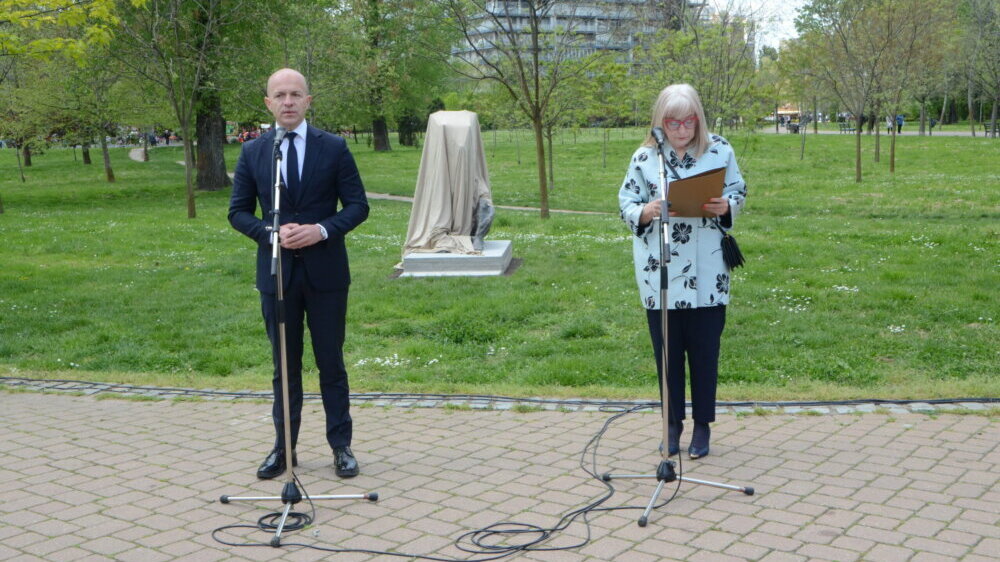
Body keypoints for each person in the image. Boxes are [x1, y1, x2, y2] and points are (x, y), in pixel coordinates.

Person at [228, 68, 370, 479]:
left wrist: (321, 230)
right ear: (268, 103)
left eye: (296, 94)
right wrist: (272, 233)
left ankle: (340, 446)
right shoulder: (255, 151)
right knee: (284, 367)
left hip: (326, 275)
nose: (288, 102)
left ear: (308, 100)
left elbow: (358, 205)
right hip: (277, 276)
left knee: (331, 363)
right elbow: (237, 212)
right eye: (280, 95)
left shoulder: (335, 147)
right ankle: (283, 448)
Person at [618, 84, 747, 459]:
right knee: (668, 353)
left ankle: (702, 427)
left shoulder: (720, 150)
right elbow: (626, 201)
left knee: (705, 352)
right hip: (661, 272)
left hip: (709, 272)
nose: (681, 130)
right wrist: (646, 211)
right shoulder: (645, 157)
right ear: (661, 121)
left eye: (688, 121)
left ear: (698, 119)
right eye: (672, 122)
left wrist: (726, 205)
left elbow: (739, 192)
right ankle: (671, 425)